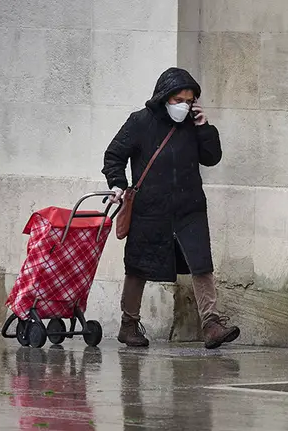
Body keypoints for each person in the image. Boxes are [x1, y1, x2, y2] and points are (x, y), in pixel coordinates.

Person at [102, 67, 240, 349]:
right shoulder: (140, 122)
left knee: (201, 264)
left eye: (189, 101)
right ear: (164, 97)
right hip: (150, 209)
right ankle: (129, 325)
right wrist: (118, 183)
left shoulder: (193, 125)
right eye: (179, 100)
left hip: (189, 208)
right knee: (138, 266)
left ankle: (211, 324)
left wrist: (204, 127)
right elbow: (113, 155)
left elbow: (212, 158)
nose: (184, 106)